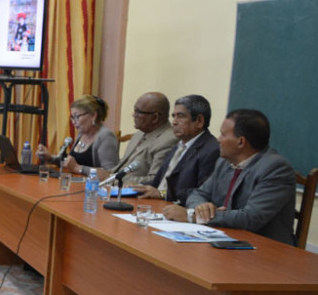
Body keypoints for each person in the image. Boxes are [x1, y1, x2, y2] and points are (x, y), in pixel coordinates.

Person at [162, 109, 297, 245]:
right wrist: (202, 207)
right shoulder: (224, 162)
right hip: (223, 236)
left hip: (263, 247)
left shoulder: (276, 168)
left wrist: (193, 216)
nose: (218, 139)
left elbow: (251, 218)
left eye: (223, 134)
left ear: (241, 142)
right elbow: (198, 194)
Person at [133, 95, 220, 204]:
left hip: (179, 209)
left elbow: (201, 193)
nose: (174, 122)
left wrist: (163, 194)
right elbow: (158, 183)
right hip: (157, 205)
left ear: (199, 121)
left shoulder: (211, 150)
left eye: (180, 116)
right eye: (174, 116)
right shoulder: (179, 145)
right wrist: (136, 187)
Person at [99, 92, 178, 185]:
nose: (133, 115)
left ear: (155, 117)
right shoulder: (139, 134)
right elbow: (121, 168)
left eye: (137, 111)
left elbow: (155, 180)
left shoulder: (169, 140)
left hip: (134, 192)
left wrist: (112, 179)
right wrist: (96, 172)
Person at [38, 94, 119, 176]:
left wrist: (78, 168)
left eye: (77, 117)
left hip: (91, 184)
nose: (73, 122)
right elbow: (71, 164)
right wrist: (50, 158)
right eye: (72, 117)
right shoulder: (81, 134)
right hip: (73, 181)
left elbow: (110, 174)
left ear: (93, 115)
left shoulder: (106, 137)